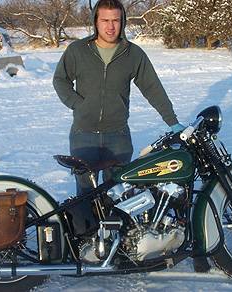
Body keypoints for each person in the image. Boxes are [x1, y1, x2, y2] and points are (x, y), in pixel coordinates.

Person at [53, 0, 210, 273]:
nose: (111, 26)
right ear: (95, 22)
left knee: (120, 194)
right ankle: (88, 250)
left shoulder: (132, 54)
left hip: (118, 137)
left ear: (122, 21)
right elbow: (60, 79)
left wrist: (172, 122)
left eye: (116, 20)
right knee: (86, 194)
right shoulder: (78, 50)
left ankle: (120, 250)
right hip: (84, 135)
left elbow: (152, 88)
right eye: (105, 20)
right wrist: (77, 104)